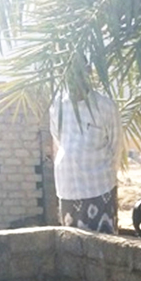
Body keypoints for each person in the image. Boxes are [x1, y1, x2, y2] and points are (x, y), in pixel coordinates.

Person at [49, 71, 123, 234]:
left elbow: (116, 146)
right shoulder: (57, 105)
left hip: (99, 188)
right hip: (67, 189)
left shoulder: (105, 106)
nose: (74, 79)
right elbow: (58, 140)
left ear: (87, 72)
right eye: (69, 74)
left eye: (79, 73)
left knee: (104, 244)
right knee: (71, 243)